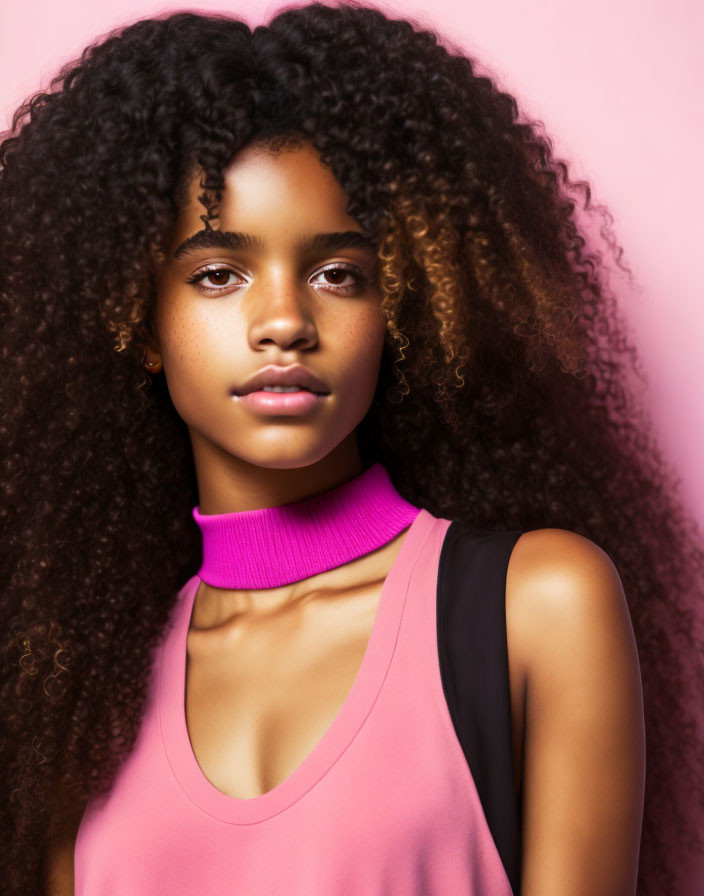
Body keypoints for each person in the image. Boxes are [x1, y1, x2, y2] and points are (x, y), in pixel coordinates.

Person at [0, 3, 701, 894]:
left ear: (397, 307)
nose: (286, 320)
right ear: (137, 321)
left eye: (340, 273)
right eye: (218, 274)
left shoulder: (535, 607)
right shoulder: (71, 694)